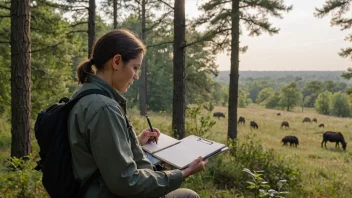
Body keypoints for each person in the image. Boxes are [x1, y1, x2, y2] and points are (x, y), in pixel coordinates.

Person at [68, 29, 208, 198]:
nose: (135, 76)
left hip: (90, 189)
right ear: (117, 61)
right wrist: (183, 172)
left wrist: (135, 142)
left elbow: (98, 153)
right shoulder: (104, 108)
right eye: (135, 68)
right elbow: (126, 183)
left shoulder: (84, 93)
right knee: (188, 196)